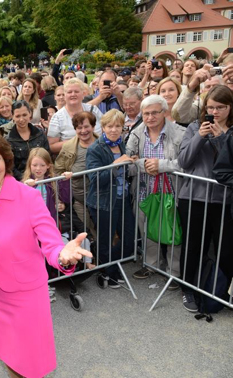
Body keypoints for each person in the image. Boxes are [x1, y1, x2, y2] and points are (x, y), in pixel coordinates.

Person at [0, 128, 92, 378]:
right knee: (10, 357)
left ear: (5, 159)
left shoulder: (27, 197)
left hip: (27, 294)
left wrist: (63, 253)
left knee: (31, 362)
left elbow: (50, 242)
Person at [178, 85, 233, 312]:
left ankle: (218, 291)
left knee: (224, 248)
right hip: (193, 197)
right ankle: (187, 289)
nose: (215, 112)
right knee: (192, 246)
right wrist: (200, 137)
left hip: (224, 200)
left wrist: (222, 140)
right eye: (211, 107)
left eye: (220, 107)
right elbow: (184, 161)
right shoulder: (193, 127)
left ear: (230, 107)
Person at [126, 95, 185, 288]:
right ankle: (151, 264)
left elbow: (187, 165)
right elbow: (130, 161)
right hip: (144, 190)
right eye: (146, 113)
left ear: (164, 112)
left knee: (172, 230)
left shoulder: (180, 133)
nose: (150, 117)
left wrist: (162, 165)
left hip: (172, 191)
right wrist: (144, 165)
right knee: (146, 227)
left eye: (154, 113)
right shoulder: (136, 133)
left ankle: (173, 272)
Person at [86, 109, 137, 288]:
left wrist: (131, 162)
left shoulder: (123, 144)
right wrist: (115, 165)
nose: (114, 130)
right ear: (103, 127)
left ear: (123, 128)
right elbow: (96, 179)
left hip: (122, 199)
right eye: (110, 126)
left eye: (118, 126)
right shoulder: (95, 149)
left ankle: (106, 265)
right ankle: (110, 273)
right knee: (106, 240)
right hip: (103, 201)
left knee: (129, 241)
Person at [55, 111, 99, 238]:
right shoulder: (68, 146)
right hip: (77, 198)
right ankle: (94, 253)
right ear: (75, 129)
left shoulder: (102, 144)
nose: (83, 131)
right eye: (79, 128)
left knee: (101, 225)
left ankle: (104, 254)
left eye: (86, 126)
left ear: (93, 126)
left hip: (99, 196)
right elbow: (58, 169)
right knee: (86, 228)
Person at [48, 79, 103, 154]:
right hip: (74, 159)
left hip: (99, 154)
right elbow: (52, 146)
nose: (73, 94)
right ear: (65, 95)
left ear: (83, 94)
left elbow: (106, 130)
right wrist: (78, 142)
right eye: (69, 92)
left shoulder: (93, 110)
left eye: (76, 91)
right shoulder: (57, 117)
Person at [23, 147, 70, 223]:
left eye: (42, 165)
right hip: (32, 221)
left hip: (49, 220)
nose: (38, 168)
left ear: (48, 166)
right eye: (34, 165)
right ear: (29, 165)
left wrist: (65, 180)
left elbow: (66, 198)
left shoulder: (53, 181)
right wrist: (26, 186)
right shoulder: (24, 183)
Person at [6, 100, 51, 180]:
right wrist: (25, 179)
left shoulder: (39, 133)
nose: (21, 119)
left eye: (24, 115)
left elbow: (48, 156)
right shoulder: (8, 140)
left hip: (42, 179)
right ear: (12, 116)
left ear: (30, 113)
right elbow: (10, 166)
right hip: (21, 182)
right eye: (18, 116)